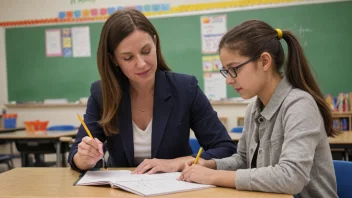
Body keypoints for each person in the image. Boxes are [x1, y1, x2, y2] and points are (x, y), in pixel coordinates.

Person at [179, 20, 338, 198]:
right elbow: (244, 160)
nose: (229, 80)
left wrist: (214, 176)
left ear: (264, 61)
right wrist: (213, 165)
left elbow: (291, 177)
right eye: (226, 71)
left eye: (233, 69)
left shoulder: (299, 105)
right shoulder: (253, 109)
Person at [68, 8, 236, 173]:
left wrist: (180, 162)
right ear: (114, 59)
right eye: (128, 58)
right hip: (121, 190)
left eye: (146, 51)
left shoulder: (185, 88)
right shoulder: (102, 94)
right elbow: (75, 155)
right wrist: (83, 159)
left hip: (176, 187)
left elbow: (225, 148)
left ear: (155, 43)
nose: (141, 63)